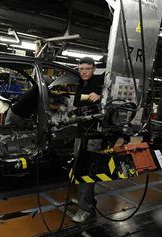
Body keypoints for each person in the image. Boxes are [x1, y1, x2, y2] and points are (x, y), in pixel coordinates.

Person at [71, 57, 104, 223]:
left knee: (87, 171)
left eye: (88, 68)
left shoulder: (100, 81)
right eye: (81, 68)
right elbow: (77, 102)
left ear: (94, 68)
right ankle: (87, 200)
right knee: (79, 168)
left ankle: (85, 209)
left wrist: (101, 96)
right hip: (81, 131)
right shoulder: (80, 83)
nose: (84, 71)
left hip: (93, 135)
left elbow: (117, 93)